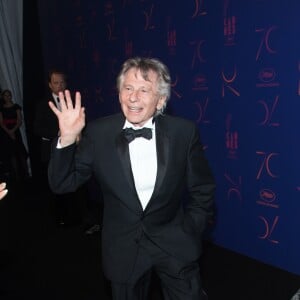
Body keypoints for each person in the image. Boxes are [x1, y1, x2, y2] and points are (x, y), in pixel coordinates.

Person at [48, 57, 215, 300]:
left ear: (161, 99)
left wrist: (190, 228)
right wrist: (67, 139)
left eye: (144, 90)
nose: (133, 97)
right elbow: (62, 184)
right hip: (124, 250)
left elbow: (203, 188)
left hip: (174, 244)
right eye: (128, 88)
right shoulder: (98, 133)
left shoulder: (184, 132)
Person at [34, 70, 83, 226]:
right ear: (50, 85)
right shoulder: (43, 105)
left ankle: (78, 217)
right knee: (55, 187)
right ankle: (59, 218)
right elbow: (37, 129)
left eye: (62, 82)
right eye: (56, 83)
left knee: (76, 185)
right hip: (50, 151)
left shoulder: (73, 102)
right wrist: (61, 133)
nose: (60, 85)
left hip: (73, 151)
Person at [0, 89, 29, 182]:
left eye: (9, 95)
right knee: (11, 154)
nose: (8, 97)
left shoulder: (16, 106)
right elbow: (1, 123)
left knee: (20, 153)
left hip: (15, 131)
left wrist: (13, 131)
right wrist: (9, 132)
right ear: (3, 97)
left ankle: (26, 173)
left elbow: (19, 120)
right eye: (6, 95)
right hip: (6, 132)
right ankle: (16, 176)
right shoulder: (1, 108)